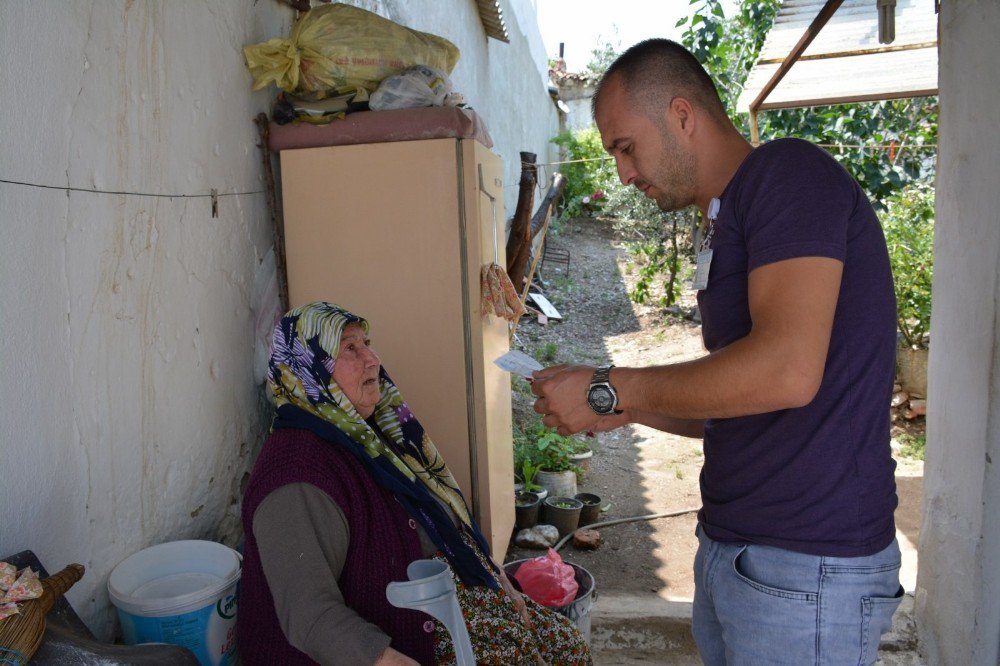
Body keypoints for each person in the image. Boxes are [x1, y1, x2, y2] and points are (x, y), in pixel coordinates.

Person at [531, 39, 902, 665]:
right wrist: (619, 408)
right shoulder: (727, 220)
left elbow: (785, 371)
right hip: (742, 551)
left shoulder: (790, 175)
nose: (622, 172)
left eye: (626, 147)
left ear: (682, 114)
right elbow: (734, 402)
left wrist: (614, 384)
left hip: (808, 562)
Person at [239, 301, 591, 665]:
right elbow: (310, 616)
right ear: (309, 366)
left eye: (367, 343)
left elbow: (441, 516)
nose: (372, 359)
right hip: (406, 635)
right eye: (350, 348)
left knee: (566, 644)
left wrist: (493, 573)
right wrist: (389, 660)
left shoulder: (367, 433)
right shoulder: (296, 477)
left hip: (452, 598)